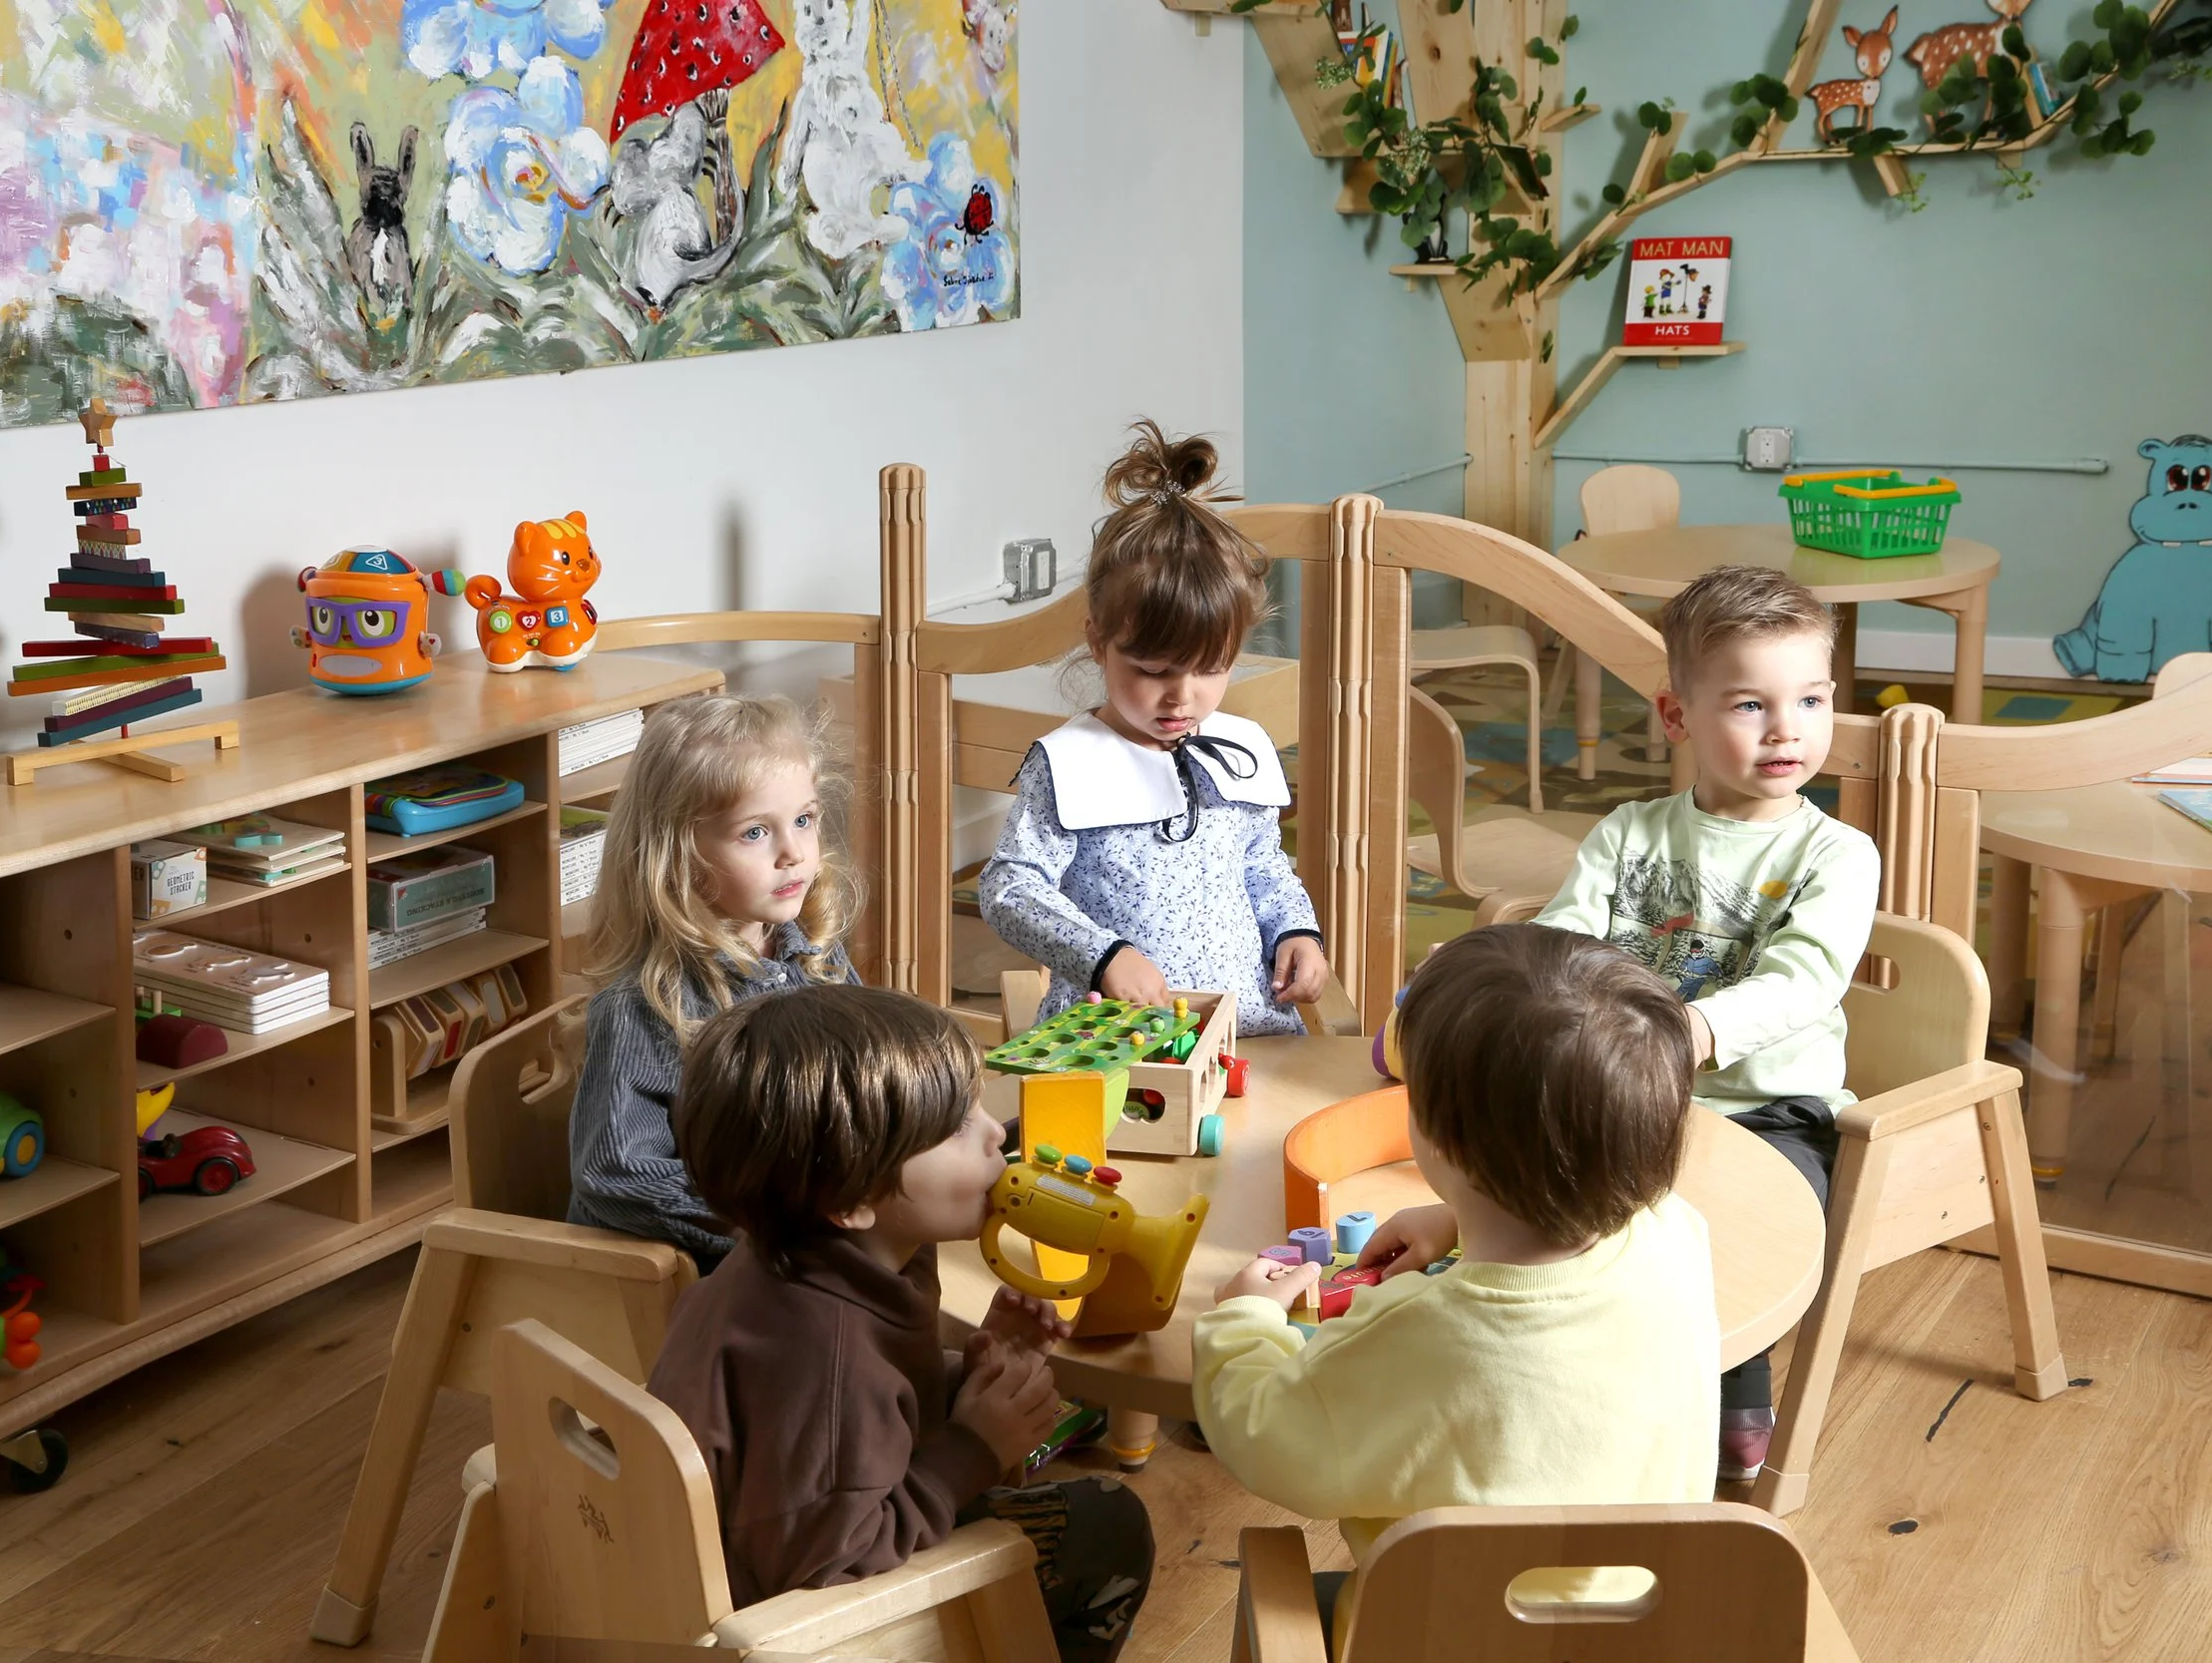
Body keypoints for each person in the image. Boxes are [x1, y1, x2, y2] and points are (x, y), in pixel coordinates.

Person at [1194, 925, 1717, 1635]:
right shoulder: (1677, 1236)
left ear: (1441, 1140)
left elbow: (1267, 1433)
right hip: (1642, 1638)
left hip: (1438, 1641)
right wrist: (1461, 1217)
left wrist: (1243, 1321)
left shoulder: (1421, 1331)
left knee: (1296, 1595)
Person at [646, 985, 1153, 1662]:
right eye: (953, 1127)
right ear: (854, 1196)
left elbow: (846, 1431)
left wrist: (965, 1376)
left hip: (762, 1541)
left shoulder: (807, 1258)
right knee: (1110, 1525)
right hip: (797, 1622)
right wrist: (973, 1447)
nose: (994, 1131)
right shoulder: (824, 1355)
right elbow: (829, 1557)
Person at [1531, 563, 1881, 1481]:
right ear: (1678, 718)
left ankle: (1734, 1374)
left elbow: (1803, 979)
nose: (1787, 728)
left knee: (1722, 1225)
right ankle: (1548, 1363)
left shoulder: (1836, 853)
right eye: (1750, 705)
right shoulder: (1628, 834)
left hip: (1773, 1108)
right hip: (1625, 1086)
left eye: (1808, 699)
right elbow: (1564, 944)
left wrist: (1693, 1032)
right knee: (1533, 1190)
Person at [980, 421, 1328, 1037]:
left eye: (1211, 669)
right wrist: (1103, 956)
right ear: (1097, 640)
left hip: (1250, 1032)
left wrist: (1295, 930)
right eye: (1153, 670)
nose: (1182, 696)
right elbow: (1009, 888)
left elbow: (1263, 866)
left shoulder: (1239, 748)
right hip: (1114, 1039)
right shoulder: (1068, 764)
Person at [567, 692, 860, 1272]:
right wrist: (779, 1221)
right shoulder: (643, 1007)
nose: (794, 853)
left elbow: (865, 1066)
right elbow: (615, 1173)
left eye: (804, 819)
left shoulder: (813, 954)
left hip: (800, 1232)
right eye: (755, 833)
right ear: (677, 854)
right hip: (692, 1279)